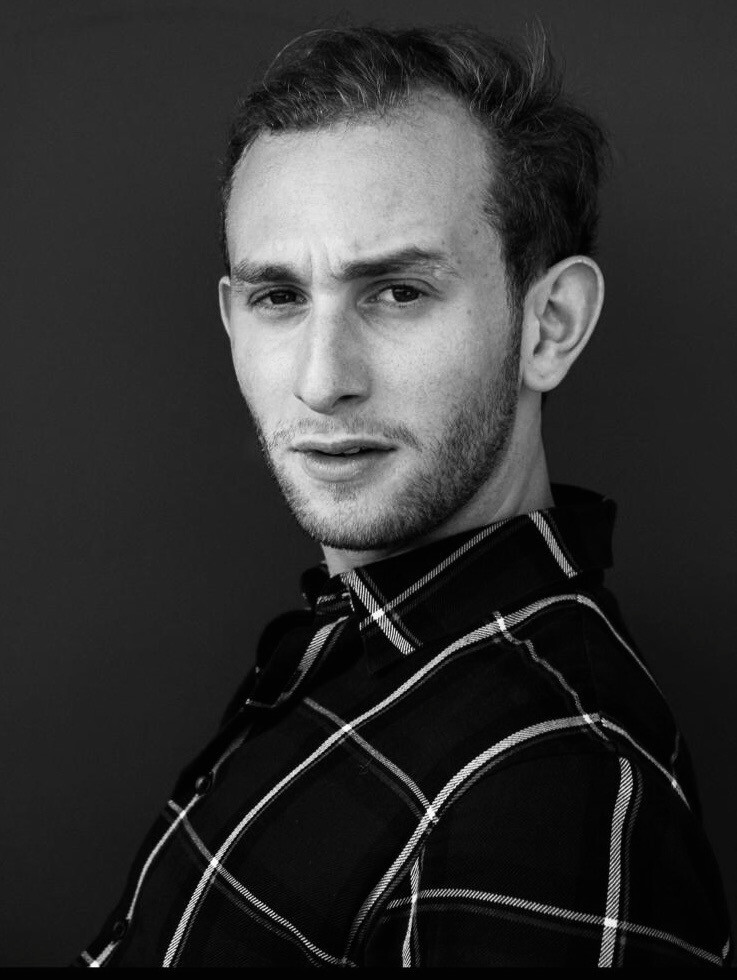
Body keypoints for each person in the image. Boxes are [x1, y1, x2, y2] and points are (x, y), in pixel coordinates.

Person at [74, 24, 731, 968]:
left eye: (397, 293)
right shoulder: (358, 647)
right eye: (278, 298)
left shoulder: (553, 782)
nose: (321, 381)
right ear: (231, 319)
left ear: (548, 326)